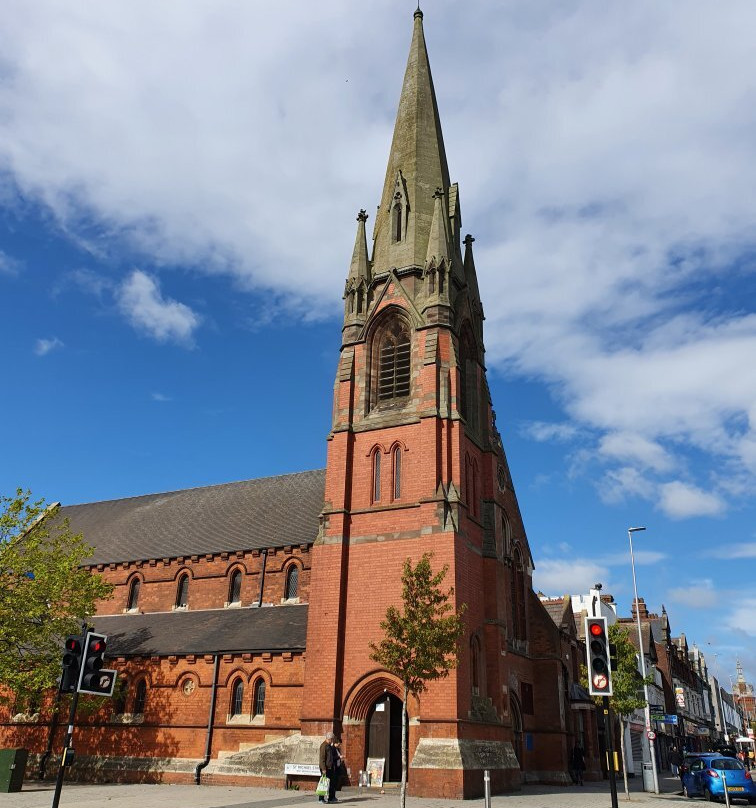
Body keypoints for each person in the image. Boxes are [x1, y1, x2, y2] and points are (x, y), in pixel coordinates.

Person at [318, 731, 338, 804]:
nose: (332, 741)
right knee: (323, 783)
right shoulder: (324, 746)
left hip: (330, 767)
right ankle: (321, 798)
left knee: (331, 783)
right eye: (332, 739)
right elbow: (322, 758)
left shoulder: (329, 745)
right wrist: (323, 769)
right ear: (330, 739)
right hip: (325, 768)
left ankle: (331, 798)